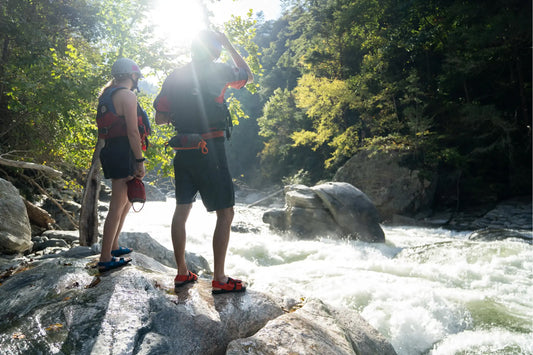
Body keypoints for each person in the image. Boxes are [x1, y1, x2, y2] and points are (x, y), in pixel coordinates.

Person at [153, 30, 253, 294]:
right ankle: (219, 278)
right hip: (211, 150)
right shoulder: (219, 71)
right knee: (226, 212)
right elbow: (247, 76)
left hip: (184, 149)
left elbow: (160, 119)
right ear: (215, 51)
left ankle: (182, 273)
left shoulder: (175, 76)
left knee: (182, 210)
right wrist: (230, 44)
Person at [96, 58, 150, 272]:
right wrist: (139, 160)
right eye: (136, 76)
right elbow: (132, 131)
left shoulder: (107, 95)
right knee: (117, 206)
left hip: (111, 150)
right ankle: (104, 257)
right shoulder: (127, 95)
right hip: (123, 151)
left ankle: (114, 245)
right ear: (132, 75)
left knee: (126, 201)